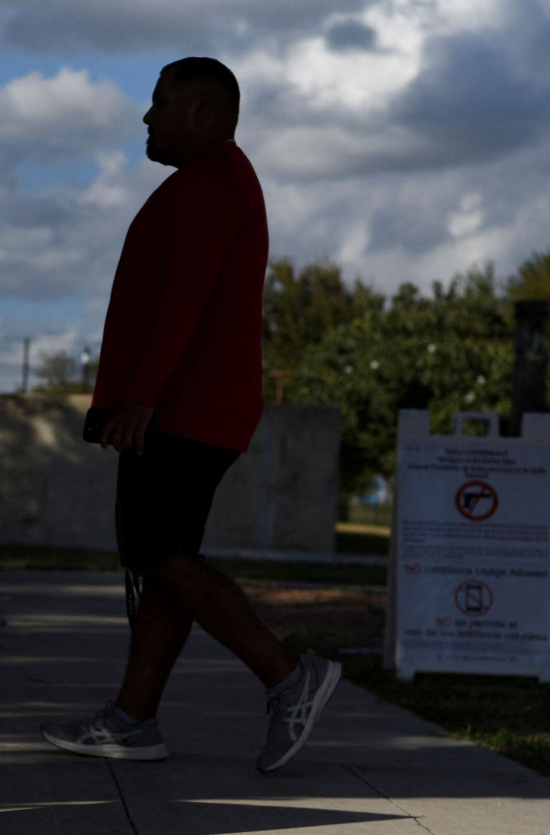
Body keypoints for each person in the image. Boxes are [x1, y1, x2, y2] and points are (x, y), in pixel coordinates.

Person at [40, 57, 341, 773]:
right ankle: (133, 720)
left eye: (161, 101)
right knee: (165, 559)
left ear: (203, 112)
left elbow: (186, 301)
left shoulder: (209, 185)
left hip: (183, 406)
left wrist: (140, 398)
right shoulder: (211, 183)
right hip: (192, 404)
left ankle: (288, 677)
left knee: (157, 551)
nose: (147, 116)